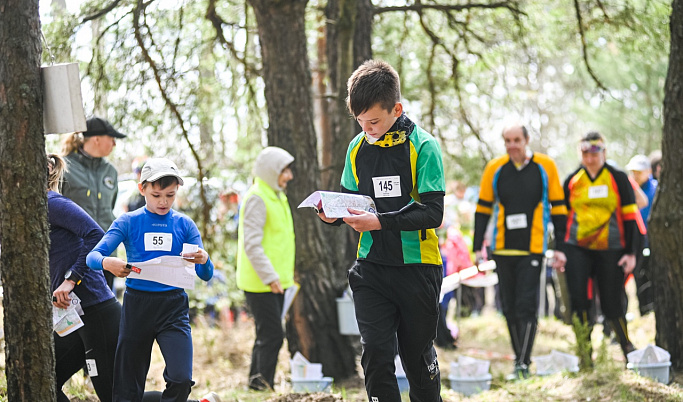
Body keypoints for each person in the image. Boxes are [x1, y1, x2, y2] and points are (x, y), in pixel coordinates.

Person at [317, 60, 445, 401]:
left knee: (416, 360)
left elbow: (433, 213)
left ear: (396, 109)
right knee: (375, 354)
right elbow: (349, 201)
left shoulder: (423, 146)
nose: (366, 128)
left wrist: (382, 221)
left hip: (418, 268)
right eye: (359, 121)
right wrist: (331, 214)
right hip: (371, 267)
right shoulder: (357, 148)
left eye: (373, 120)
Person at [86, 158, 217, 402]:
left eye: (170, 195)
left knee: (181, 380)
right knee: (127, 387)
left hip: (173, 306)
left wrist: (205, 259)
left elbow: (206, 274)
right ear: (142, 189)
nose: (164, 202)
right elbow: (92, 257)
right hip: (137, 306)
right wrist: (108, 263)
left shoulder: (185, 224)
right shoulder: (128, 221)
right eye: (156, 195)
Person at [472, 123, 567, 380]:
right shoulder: (495, 168)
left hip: (533, 248)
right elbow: (482, 208)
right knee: (510, 308)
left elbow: (558, 208)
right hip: (502, 249)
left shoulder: (545, 166)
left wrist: (560, 248)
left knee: (527, 306)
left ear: (527, 140)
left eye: (516, 140)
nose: (512, 145)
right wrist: (477, 248)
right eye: (507, 140)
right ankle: (519, 360)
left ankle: (524, 362)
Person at [47, 153, 121, 402]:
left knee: (113, 397)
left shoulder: (51, 203)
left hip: (97, 310)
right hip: (70, 317)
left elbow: (97, 235)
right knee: (45, 382)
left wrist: (71, 279)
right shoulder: (24, 214)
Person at [563, 132, 639, 365]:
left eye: (595, 151)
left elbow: (630, 215)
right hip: (577, 249)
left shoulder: (618, 178)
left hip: (612, 250)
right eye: (585, 151)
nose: (590, 156)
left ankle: (628, 351)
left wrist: (632, 253)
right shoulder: (572, 180)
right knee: (579, 302)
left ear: (604, 152)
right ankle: (585, 357)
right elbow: (561, 217)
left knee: (612, 302)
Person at [236, 146, 295, 391]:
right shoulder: (258, 198)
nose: (289, 175)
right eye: (284, 170)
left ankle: (256, 385)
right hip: (261, 282)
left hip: (277, 282)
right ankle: (262, 386)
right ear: (271, 171)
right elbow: (252, 244)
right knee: (272, 335)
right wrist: (270, 277)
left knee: (266, 335)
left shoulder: (276, 195)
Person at [62, 116, 126, 290]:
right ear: (97, 139)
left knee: (107, 314)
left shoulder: (111, 171)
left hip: (106, 256)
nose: (114, 144)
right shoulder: (65, 167)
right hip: (75, 257)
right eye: (111, 139)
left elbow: (110, 207)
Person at [625, 154, 657, 315]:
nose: (635, 175)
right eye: (633, 172)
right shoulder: (629, 189)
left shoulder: (656, 188)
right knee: (638, 276)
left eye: (639, 171)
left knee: (651, 275)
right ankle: (643, 310)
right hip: (637, 241)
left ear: (648, 171)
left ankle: (651, 309)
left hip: (654, 240)